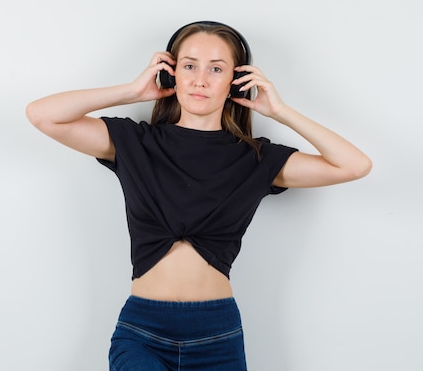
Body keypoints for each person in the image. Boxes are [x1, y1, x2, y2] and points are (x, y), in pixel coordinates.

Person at [25, 21, 372, 371]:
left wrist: (279, 111)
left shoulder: (257, 159)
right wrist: (131, 92)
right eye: (189, 65)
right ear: (171, 73)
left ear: (236, 80)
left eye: (216, 69)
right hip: (142, 331)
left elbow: (354, 165)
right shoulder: (135, 143)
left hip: (217, 335)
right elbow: (42, 115)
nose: (200, 79)